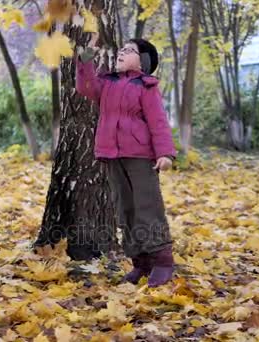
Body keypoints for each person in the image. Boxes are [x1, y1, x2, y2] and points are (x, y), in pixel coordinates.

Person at [75, 34, 177, 287]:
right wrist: (87, 55)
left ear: (142, 61)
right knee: (126, 210)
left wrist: (165, 153)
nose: (121, 52)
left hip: (141, 156)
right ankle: (140, 263)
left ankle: (162, 260)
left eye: (129, 50)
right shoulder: (106, 83)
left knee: (147, 207)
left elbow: (158, 122)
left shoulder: (146, 86)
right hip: (112, 155)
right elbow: (85, 85)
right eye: (121, 49)